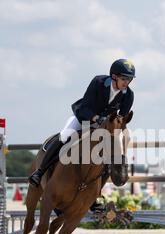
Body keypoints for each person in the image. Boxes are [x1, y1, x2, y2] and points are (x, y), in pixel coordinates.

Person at [28, 58, 136, 189]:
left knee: (113, 152)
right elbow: (84, 107)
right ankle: (39, 172)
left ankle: (97, 193)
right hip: (84, 118)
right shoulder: (98, 82)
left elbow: (121, 118)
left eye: (129, 79)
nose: (127, 82)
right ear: (114, 76)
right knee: (64, 135)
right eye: (124, 78)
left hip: (105, 127)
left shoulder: (128, 94)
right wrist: (96, 118)